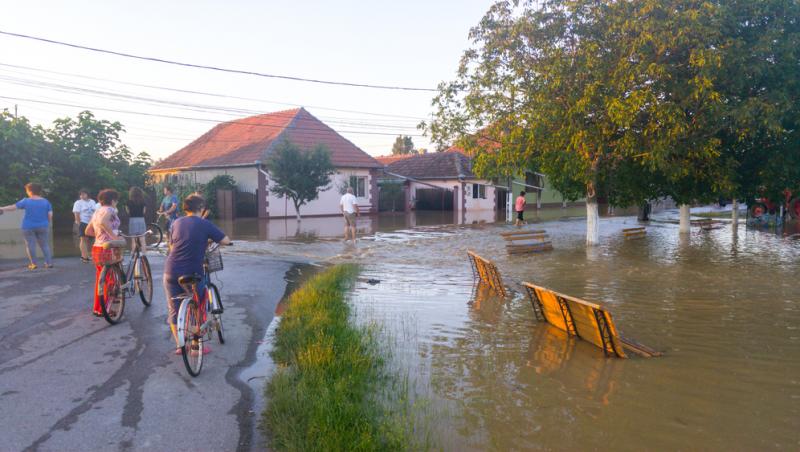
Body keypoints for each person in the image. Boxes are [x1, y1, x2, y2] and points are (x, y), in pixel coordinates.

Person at [163, 194, 231, 355]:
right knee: (198, 307)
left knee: (174, 309)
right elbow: (226, 240)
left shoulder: (176, 222)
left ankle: (180, 346)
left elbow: (172, 246)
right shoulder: (204, 223)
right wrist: (209, 240)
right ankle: (195, 347)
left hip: (170, 271)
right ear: (200, 208)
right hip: (192, 272)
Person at [0, 183, 53, 270]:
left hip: (28, 227)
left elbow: (13, 207)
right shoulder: (46, 202)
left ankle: (33, 264)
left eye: (27, 191)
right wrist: (46, 223)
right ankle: (48, 263)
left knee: (30, 245)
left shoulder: (26, 201)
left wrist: (2, 208)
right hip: (43, 226)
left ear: (30, 191)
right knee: (44, 245)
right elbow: (50, 215)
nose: (27, 192)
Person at [87, 189, 122, 317]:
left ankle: (98, 308)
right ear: (112, 200)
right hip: (108, 247)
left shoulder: (97, 211)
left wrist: (100, 236)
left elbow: (88, 231)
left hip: (97, 247)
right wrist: (114, 237)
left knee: (100, 279)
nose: (116, 203)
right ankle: (106, 309)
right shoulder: (110, 210)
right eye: (116, 200)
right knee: (110, 279)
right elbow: (103, 223)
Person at [72, 189, 98, 263]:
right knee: (83, 239)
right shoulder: (78, 202)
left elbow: (96, 212)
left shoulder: (92, 201)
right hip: (83, 222)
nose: (82, 196)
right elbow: (76, 214)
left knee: (93, 239)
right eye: (81, 194)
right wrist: (79, 223)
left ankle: (91, 255)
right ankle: (84, 257)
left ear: (87, 194)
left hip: (92, 223)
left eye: (83, 194)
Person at [126, 187, 148, 253]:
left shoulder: (128, 202)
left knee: (133, 240)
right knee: (142, 239)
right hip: (141, 220)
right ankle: (144, 254)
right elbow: (144, 212)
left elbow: (128, 212)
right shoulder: (143, 202)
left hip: (132, 220)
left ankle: (133, 254)